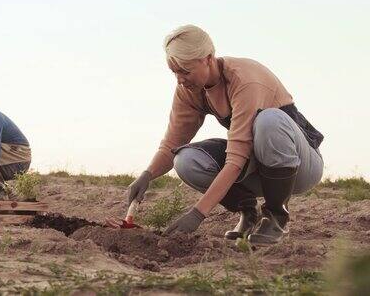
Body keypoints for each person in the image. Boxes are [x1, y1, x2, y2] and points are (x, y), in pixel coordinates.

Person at [127, 25, 324, 244]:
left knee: (269, 120)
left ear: (208, 59)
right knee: (185, 160)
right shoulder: (189, 90)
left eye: (185, 71)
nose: (179, 79)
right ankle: (250, 213)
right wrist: (148, 174)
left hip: (300, 166)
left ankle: (276, 218)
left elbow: (235, 159)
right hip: (257, 166)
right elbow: (173, 142)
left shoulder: (245, 79)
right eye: (174, 72)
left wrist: (197, 213)